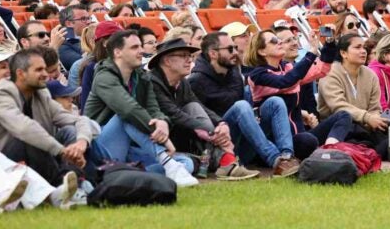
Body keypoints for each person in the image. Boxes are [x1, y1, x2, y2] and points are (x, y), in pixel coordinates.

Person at [83, 30, 199, 187]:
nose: (141, 51)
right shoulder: (104, 77)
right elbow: (129, 110)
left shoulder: (142, 76)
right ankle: (165, 163)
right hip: (101, 148)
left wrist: (162, 121)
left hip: (130, 147)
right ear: (118, 52)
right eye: (134, 47)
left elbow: (154, 108)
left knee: (186, 162)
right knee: (124, 117)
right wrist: (164, 140)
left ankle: (128, 176)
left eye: (140, 46)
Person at [189, 32, 301, 177]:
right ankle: (275, 159)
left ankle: (286, 157)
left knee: (275, 102)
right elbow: (195, 121)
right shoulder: (196, 81)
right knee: (240, 106)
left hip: (244, 144)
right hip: (218, 148)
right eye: (230, 49)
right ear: (213, 54)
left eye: (235, 48)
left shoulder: (235, 73)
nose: (235, 52)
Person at [148, 38, 257, 180]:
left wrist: (221, 124)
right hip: (157, 141)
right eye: (183, 56)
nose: (189, 60)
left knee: (194, 107)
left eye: (190, 56)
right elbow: (173, 113)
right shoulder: (151, 82)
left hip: (181, 137)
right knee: (190, 159)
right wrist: (211, 133)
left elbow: (199, 105)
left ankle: (226, 161)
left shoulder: (182, 83)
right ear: (167, 61)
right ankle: (227, 161)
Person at [0, 49, 93, 194]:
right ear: (20, 73)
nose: (46, 75)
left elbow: (79, 120)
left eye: (45, 69)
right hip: (6, 163)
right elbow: (24, 128)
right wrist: (62, 151)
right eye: (39, 70)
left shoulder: (40, 93)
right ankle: (67, 184)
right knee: (31, 137)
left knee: (73, 131)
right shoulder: (2, 94)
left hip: (43, 157)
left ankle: (76, 181)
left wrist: (81, 143)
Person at [245, 30, 352, 160]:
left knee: (343, 116)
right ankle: (287, 156)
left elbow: (320, 70)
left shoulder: (287, 67)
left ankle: (331, 150)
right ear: (262, 51)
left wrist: (329, 43)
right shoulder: (257, 75)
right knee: (307, 140)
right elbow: (285, 82)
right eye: (274, 41)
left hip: (300, 136)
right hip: (274, 142)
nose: (279, 42)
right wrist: (311, 53)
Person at [57, 6, 90, 71]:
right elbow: (83, 65)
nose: (89, 22)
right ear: (69, 23)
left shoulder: (91, 38)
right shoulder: (62, 44)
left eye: (89, 18)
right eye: (83, 19)